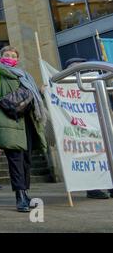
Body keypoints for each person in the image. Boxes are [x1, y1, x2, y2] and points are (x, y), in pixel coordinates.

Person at [0, 46, 47, 212]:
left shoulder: (25, 76)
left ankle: (25, 192)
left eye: (13, 55)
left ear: (17, 59)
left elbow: (30, 98)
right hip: (9, 121)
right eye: (7, 54)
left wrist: (40, 92)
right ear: (1, 56)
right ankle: (20, 196)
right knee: (15, 160)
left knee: (26, 160)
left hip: (28, 123)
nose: (10, 57)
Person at [64, 57, 113, 200]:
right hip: (81, 128)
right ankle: (93, 187)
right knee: (89, 155)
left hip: (100, 122)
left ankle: (110, 185)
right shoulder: (66, 83)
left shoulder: (95, 78)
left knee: (106, 153)